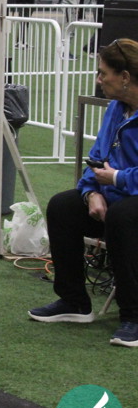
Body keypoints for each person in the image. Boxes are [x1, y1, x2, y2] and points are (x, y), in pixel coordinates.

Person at [28, 38, 138, 347]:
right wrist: (91, 192)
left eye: (103, 73)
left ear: (125, 77)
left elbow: (111, 172)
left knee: (122, 216)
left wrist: (116, 178)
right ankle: (74, 302)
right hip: (117, 198)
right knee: (62, 206)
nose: (98, 80)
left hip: (127, 204)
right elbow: (97, 156)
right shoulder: (116, 108)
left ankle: (133, 315)